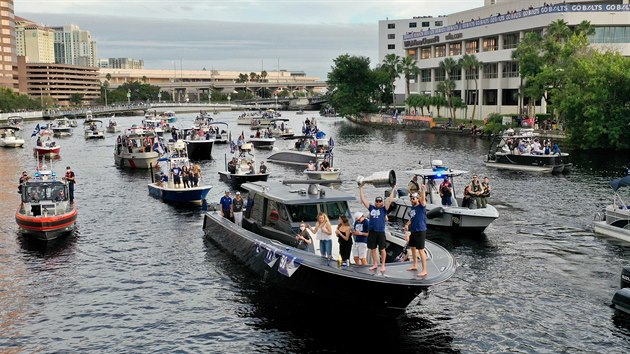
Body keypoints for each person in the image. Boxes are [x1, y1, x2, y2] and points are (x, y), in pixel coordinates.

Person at [359, 182, 396, 272]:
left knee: (382, 249)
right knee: (373, 248)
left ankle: (383, 265)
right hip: (372, 231)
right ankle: (375, 263)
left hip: (380, 232)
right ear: (375, 202)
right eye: (377, 201)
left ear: (382, 202)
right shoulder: (371, 208)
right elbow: (364, 200)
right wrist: (360, 188)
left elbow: (390, 200)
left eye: (380, 201)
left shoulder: (384, 209)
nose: (378, 203)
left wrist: (393, 189)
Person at [404, 187, 428, 277]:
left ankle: (424, 270)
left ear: (417, 199)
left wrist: (423, 191)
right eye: (411, 198)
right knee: (413, 248)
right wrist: (407, 224)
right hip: (413, 230)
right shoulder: (412, 208)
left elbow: (423, 200)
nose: (411, 200)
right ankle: (415, 265)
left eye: (413, 198)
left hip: (420, 230)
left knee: (421, 250)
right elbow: (412, 218)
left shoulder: (421, 206)